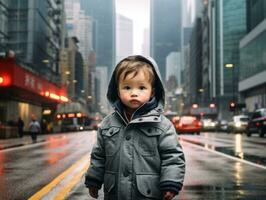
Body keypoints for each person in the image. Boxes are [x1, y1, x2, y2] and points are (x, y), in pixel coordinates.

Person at [84, 55, 185, 200]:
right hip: (114, 194)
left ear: (152, 92)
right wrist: (94, 179)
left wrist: (170, 183)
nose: (134, 93)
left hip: (149, 194)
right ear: (117, 91)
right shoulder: (107, 123)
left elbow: (173, 157)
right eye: (127, 87)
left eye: (142, 87)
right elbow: (99, 155)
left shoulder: (162, 125)